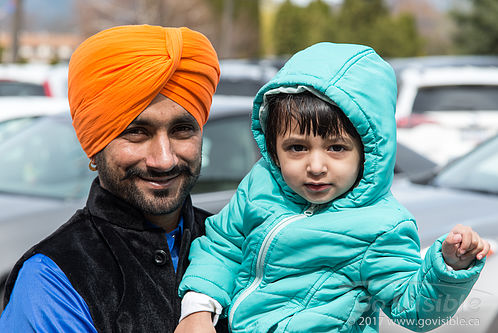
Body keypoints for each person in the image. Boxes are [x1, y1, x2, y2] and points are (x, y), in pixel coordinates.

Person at [175, 42, 490, 333]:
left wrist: (449, 267)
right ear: (273, 148)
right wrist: (198, 308)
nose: (315, 166)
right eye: (297, 148)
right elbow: (222, 246)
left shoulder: (381, 225)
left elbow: (414, 308)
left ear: (368, 151)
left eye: (336, 148)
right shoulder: (261, 185)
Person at [0, 25, 229, 333]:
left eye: (181, 130)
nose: (164, 159)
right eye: (136, 132)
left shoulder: (231, 243)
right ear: (94, 149)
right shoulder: (53, 278)